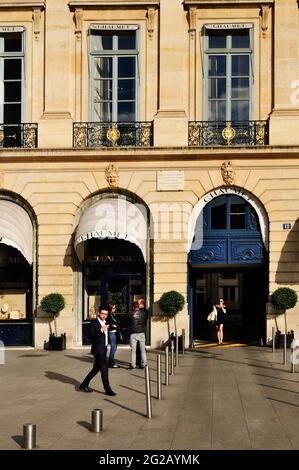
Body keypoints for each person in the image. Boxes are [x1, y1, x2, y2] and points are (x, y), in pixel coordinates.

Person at [79, 306, 116, 396]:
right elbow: (91, 336)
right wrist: (101, 330)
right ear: (98, 313)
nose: (104, 316)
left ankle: (84, 385)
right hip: (98, 350)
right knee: (104, 369)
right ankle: (108, 389)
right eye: (103, 313)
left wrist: (112, 327)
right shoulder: (94, 323)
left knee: (96, 369)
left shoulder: (105, 322)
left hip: (104, 348)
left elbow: (106, 333)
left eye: (106, 314)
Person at [128, 300, 147, 369]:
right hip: (141, 332)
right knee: (143, 350)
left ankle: (133, 365)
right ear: (138, 306)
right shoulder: (144, 314)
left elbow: (128, 322)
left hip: (133, 333)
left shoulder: (130, 314)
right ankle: (144, 363)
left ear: (133, 307)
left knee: (133, 350)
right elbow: (145, 322)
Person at [107, 303, 119, 368]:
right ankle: (111, 363)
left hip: (115, 332)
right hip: (112, 332)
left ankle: (111, 362)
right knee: (113, 348)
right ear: (111, 309)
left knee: (114, 348)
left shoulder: (114, 314)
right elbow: (108, 324)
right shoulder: (109, 315)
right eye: (114, 308)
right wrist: (113, 326)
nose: (115, 309)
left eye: (115, 308)